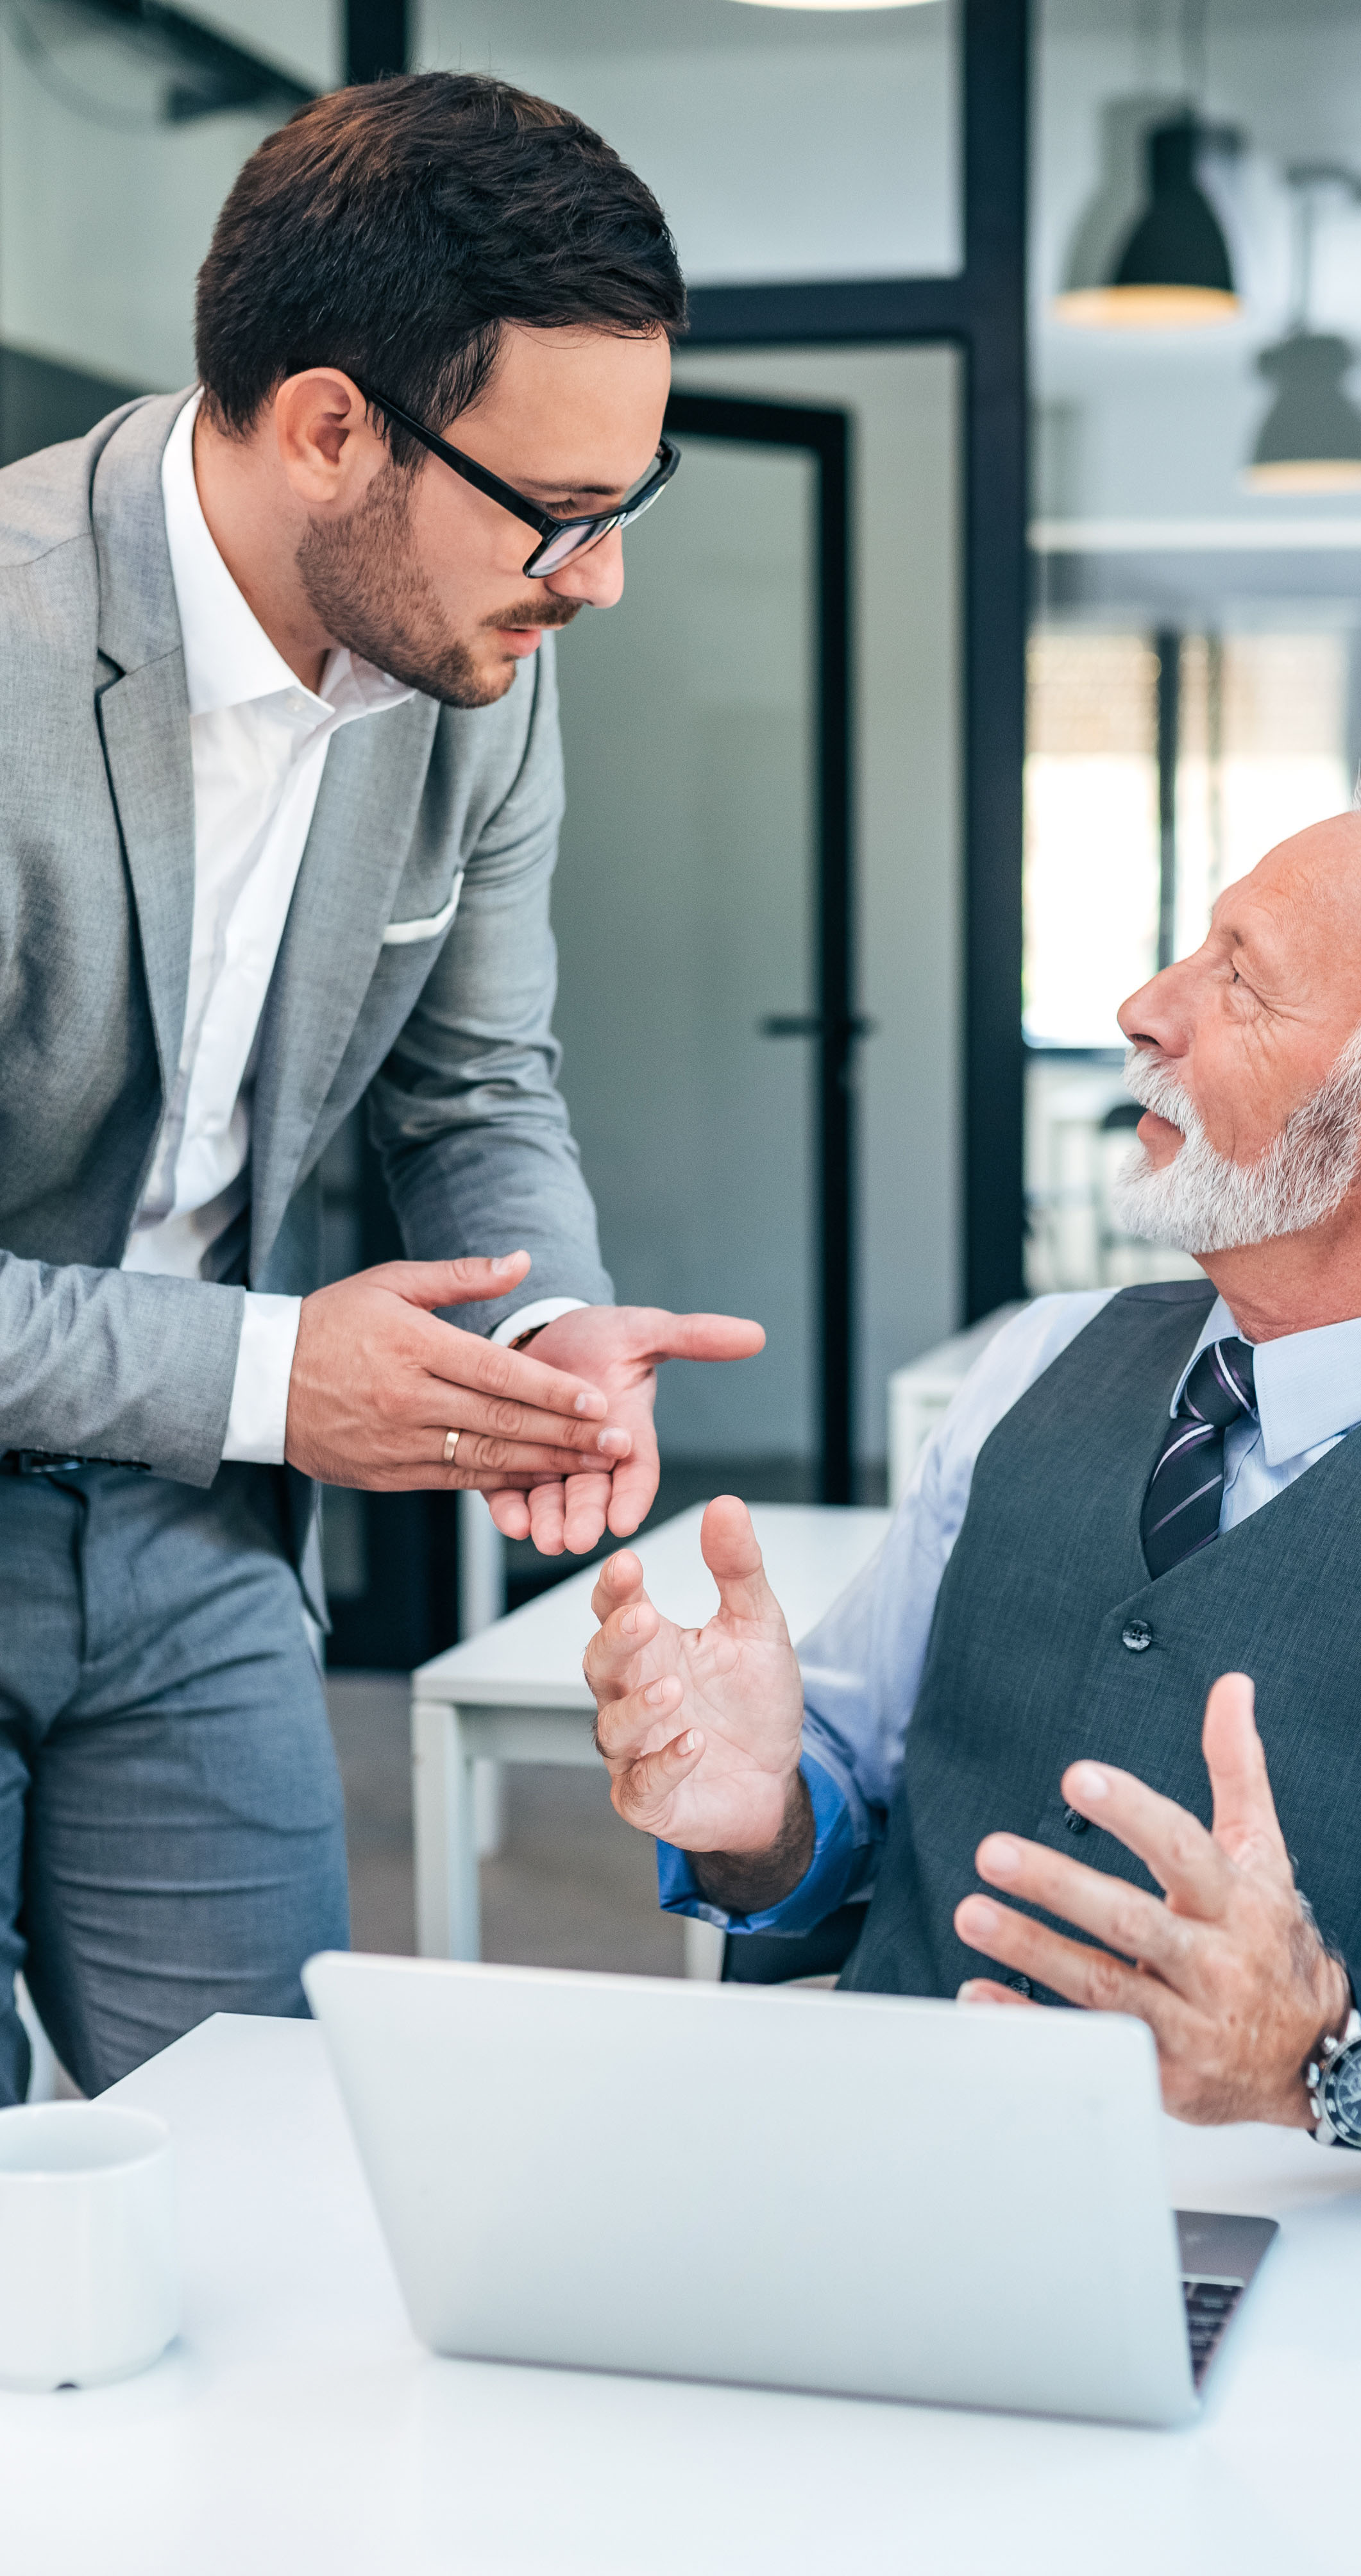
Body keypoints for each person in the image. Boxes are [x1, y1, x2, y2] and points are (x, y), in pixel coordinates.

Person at [0, 73, 763, 2105]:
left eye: (631, 499)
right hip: (186, 1425)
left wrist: (539, 1329)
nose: (596, 580)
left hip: (189, 1549)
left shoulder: (473, 678)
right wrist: (282, 1381)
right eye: (559, 513)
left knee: (283, 2184)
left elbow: (478, 1083)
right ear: (332, 426)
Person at [588, 756, 1361, 2161]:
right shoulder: (1039, 1358)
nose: (1143, 1008)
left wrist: (1327, 2043)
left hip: (1306, 2320)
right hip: (874, 2196)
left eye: (1239, 981)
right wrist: (755, 1813)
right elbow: (829, 1818)